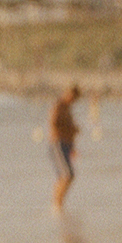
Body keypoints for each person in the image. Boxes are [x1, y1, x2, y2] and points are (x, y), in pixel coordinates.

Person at [50, 84, 81, 213]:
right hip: (58, 144)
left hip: (66, 144)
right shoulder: (58, 106)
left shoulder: (67, 108)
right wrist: (71, 129)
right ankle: (57, 205)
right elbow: (53, 125)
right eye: (72, 97)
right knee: (67, 175)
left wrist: (72, 147)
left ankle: (59, 205)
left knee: (65, 176)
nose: (73, 101)